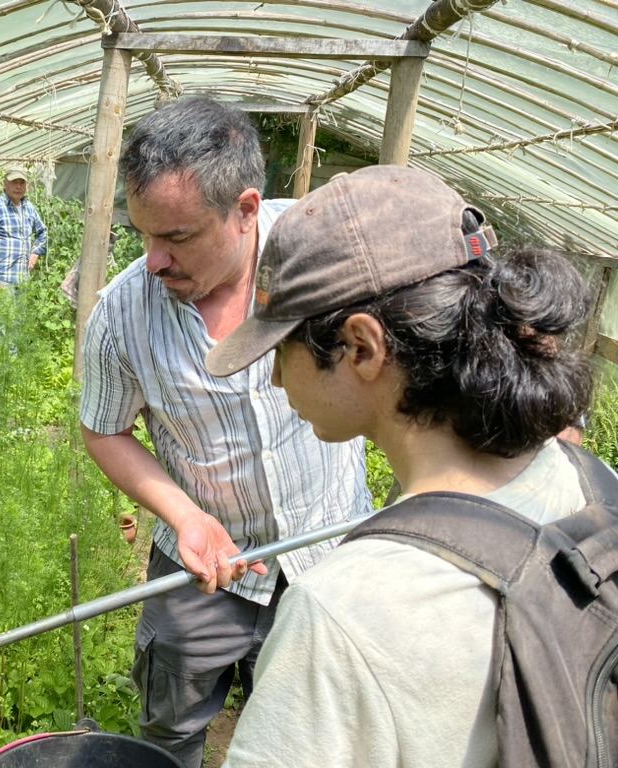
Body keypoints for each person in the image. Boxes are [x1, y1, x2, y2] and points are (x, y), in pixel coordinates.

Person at [207, 164, 597, 767]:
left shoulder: (344, 611)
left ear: (361, 347)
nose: (277, 377)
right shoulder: (589, 480)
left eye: (283, 350)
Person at [79, 98, 373, 768]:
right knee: (170, 730)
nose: (155, 259)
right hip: (198, 572)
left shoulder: (322, 259)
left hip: (327, 556)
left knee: (312, 738)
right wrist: (185, 517)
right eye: (143, 235)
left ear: (245, 210)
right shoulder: (123, 313)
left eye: (177, 238)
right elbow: (105, 431)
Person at [0, 167, 47, 292]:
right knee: (4, 312)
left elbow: (43, 232)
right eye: (14, 182)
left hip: (23, 279)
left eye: (22, 183)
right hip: (2, 280)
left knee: (22, 312)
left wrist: (35, 253)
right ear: (5, 183)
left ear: (27, 185)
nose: (18, 187)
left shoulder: (29, 208)